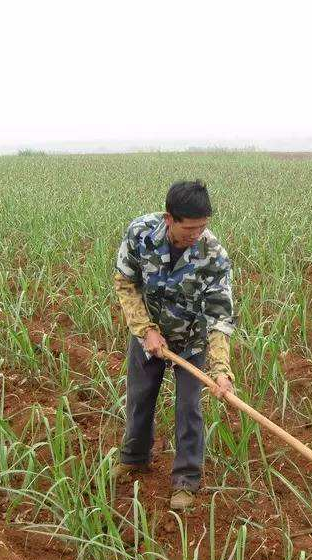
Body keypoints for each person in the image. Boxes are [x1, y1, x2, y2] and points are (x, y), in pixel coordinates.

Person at [112, 179, 235, 510]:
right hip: (148, 334)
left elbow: (220, 317)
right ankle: (134, 458)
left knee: (188, 408)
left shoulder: (213, 256)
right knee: (139, 397)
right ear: (170, 219)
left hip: (191, 340)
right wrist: (145, 330)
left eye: (203, 227)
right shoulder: (140, 234)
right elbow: (126, 283)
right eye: (190, 228)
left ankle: (186, 480)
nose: (197, 234)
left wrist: (221, 370)